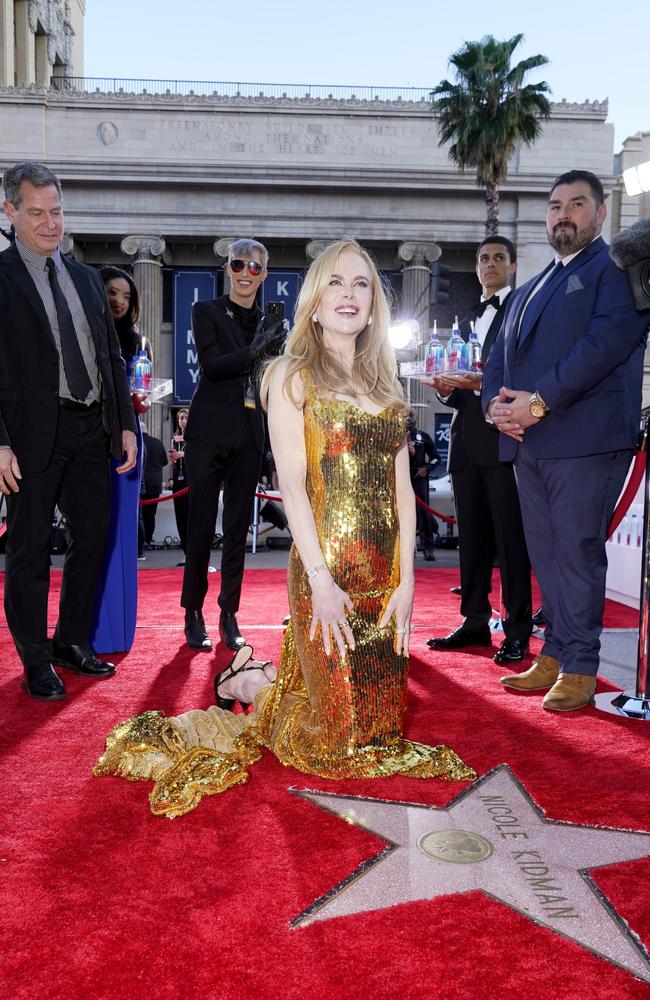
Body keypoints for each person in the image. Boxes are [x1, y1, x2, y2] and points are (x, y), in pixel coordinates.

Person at [94, 239, 476, 816]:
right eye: (336, 283)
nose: (349, 295)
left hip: (382, 581)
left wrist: (407, 584)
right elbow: (293, 487)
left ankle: (258, 678)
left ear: (374, 304)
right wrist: (320, 582)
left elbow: (401, 492)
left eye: (362, 284)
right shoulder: (289, 376)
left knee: (379, 737)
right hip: (326, 576)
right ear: (314, 300)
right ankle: (250, 684)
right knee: (338, 745)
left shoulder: (388, 386)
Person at [483, 169, 649, 711]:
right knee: (546, 554)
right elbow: (500, 357)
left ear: (601, 213)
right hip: (530, 443)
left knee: (576, 553)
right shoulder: (532, 285)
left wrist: (535, 404)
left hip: (586, 438)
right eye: (555, 206)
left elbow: (602, 346)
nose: (563, 214)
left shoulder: (614, 272)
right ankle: (554, 653)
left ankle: (581, 664)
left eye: (577, 204)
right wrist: (495, 408)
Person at [0, 161, 137, 700]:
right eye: (37, 213)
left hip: (90, 427)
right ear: (10, 212)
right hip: (29, 433)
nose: (50, 223)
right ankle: (35, 657)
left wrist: (125, 424)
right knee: (29, 550)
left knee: (94, 538)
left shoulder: (85, 278)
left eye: (56, 212)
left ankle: (72, 641)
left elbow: (111, 357)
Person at [424, 237, 532, 664]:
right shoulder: (466, 319)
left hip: (504, 440)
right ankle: (474, 621)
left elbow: (518, 372)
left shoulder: (522, 312)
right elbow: (459, 391)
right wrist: (446, 388)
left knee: (510, 540)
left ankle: (518, 629)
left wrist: (478, 383)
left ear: (512, 265)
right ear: (476, 267)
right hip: (466, 442)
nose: (490, 264)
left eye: (498, 258)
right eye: (484, 258)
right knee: (469, 539)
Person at [180, 238, 286, 652]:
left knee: (238, 529)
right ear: (228, 269)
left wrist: (278, 350)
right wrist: (257, 349)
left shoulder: (271, 322)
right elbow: (212, 366)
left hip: (250, 433)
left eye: (255, 267)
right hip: (208, 430)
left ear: (264, 275)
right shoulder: (205, 311)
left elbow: (273, 381)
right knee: (201, 527)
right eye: (239, 265)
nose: (246, 273)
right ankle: (192, 612)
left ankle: (229, 613)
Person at [91, 265, 150, 652]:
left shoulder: (137, 342)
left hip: (128, 440)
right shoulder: (84, 332)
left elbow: (140, 397)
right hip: (91, 440)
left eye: (126, 296)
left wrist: (139, 402)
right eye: (112, 292)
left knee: (122, 534)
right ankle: (91, 627)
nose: (119, 301)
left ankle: (118, 631)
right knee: (93, 533)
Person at [406, 412, 439, 560]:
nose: (407, 419)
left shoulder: (423, 436)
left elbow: (436, 458)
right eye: (404, 416)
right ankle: (405, 550)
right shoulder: (394, 435)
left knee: (424, 514)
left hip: (419, 479)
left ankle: (428, 548)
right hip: (402, 478)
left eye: (410, 416)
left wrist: (426, 469)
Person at [140, 425, 168, 546]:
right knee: (151, 514)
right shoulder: (158, 443)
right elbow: (165, 462)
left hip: (140, 483)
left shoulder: (138, 442)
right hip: (154, 484)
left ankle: (139, 542)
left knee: (139, 514)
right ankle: (149, 538)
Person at [169, 407, 189, 565]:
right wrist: (173, 460)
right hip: (178, 481)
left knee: (190, 517)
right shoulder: (174, 438)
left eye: (185, 418)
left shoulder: (194, 437)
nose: (182, 421)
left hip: (190, 481)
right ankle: (185, 552)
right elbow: (173, 463)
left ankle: (192, 552)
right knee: (180, 517)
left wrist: (182, 454)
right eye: (180, 418)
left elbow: (197, 456)